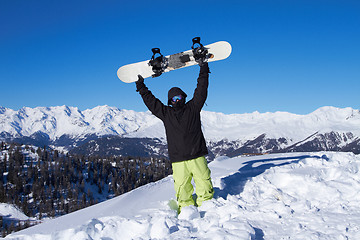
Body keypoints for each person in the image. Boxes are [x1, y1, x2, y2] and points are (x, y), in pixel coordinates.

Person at [135, 62, 214, 212]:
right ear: (169, 102)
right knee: (182, 187)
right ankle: (186, 210)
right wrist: (141, 86)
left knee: (204, 182)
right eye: (173, 99)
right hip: (178, 160)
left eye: (178, 97)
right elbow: (152, 103)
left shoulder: (193, 107)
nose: (176, 101)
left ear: (183, 97)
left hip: (197, 155)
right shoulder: (166, 114)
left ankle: (208, 207)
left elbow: (201, 90)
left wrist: (203, 68)